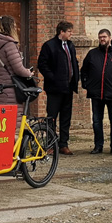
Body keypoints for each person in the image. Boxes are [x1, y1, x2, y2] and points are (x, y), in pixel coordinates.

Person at [80, 28, 112, 155]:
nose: (102, 39)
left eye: (104, 37)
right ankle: (98, 146)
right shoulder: (92, 54)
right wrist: (86, 84)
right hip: (96, 93)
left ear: (109, 38)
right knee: (97, 121)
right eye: (100, 37)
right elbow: (84, 70)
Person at [38, 20, 80, 155]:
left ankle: (63, 144)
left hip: (68, 87)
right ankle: (50, 144)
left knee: (66, 118)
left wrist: (76, 77)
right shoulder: (49, 46)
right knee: (52, 117)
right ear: (61, 32)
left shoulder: (70, 45)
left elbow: (73, 62)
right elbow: (42, 64)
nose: (71, 34)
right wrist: (53, 78)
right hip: (54, 89)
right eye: (69, 31)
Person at [0, 15, 34, 130]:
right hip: (11, 88)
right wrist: (28, 73)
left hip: (1, 86)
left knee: (3, 122)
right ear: (10, 28)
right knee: (13, 123)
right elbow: (18, 68)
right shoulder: (9, 45)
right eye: (14, 26)